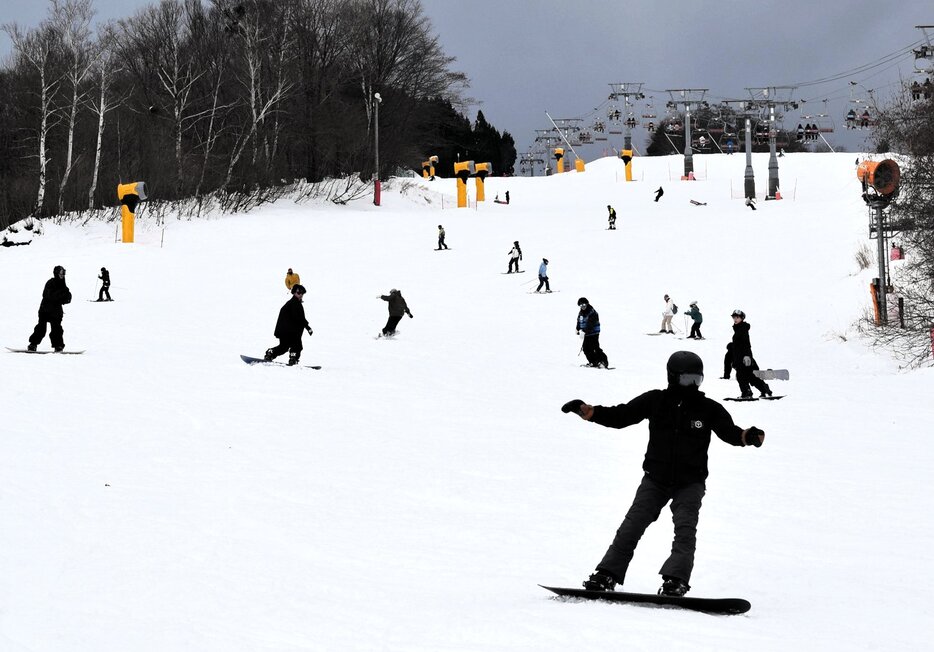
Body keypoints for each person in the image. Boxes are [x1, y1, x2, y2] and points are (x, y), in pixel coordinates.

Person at [561, 350, 766, 597]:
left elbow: (730, 433)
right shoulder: (655, 401)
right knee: (631, 527)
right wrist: (590, 412)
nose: (692, 385)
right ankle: (606, 574)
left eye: (696, 380)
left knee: (685, 532)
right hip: (655, 480)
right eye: (686, 379)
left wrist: (748, 436)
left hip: (690, 483)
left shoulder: (708, 409)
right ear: (672, 377)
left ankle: (676, 581)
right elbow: (621, 415)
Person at [28, 265, 72, 352]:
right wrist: (60, 296)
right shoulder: (50, 283)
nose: (62, 276)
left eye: (63, 274)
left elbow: (68, 297)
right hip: (45, 310)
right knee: (41, 329)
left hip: (56, 312)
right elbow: (47, 295)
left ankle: (58, 346)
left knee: (57, 329)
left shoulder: (63, 285)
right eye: (61, 274)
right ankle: (33, 344)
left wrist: (65, 297)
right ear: (56, 274)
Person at [264, 284, 313, 365]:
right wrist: (307, 327)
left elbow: (297, 318)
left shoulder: (291, 303)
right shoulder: (294, 303)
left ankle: (271, 353)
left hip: (284, 331)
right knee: (297, 345)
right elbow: (299, 318)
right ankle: (293, 359)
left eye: (302, 293)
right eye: (298, 292)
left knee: (284, 347)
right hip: (290, 331)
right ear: (294, 293)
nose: (300, 295)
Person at [729, 309, 772, 398]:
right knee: (751, 377)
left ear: (742, 318)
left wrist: (747, 356)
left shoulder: (742, 329)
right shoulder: (739, 329)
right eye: (734, 317)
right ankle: (764, 389)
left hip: (744, 358)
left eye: (737, 317)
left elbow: (746, 344)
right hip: (742, 357)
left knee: (741, 376)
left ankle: (746, 393)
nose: (735, 319)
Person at [576, 297, 609, 368]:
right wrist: (577, 329)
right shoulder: (581, 313)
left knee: (595, 347)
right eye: (581, 305)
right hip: (587, 333)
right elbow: (579, 321)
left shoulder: (592, 312)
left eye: (584, 304)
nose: (583, 306)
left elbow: (591, 324)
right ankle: (593, 362)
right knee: (585, 348)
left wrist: (584, 331)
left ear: (587, 304)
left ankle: (603, 362)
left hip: (594, 333)